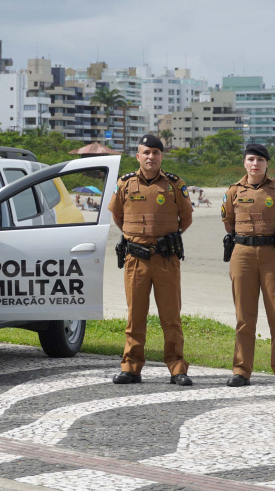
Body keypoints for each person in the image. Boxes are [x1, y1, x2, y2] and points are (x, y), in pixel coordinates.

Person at [109, 134, 194, 386]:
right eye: (146, 152)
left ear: (161, 157)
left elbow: (186, 218)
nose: (151, 157)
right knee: (135, 316)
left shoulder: (174, 185)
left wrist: (169, 240)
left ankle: (177, 368)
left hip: (166, 259)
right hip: (136, 259)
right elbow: (117, 216)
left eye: (155, 153)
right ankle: (131, 368)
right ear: (138, 156)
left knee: (171, 317)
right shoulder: (125, 184)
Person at [222, 143, 275, 388]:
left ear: (267, 164)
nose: (255, 164)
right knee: (244, 316)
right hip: (242, 254)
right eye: (251, 159)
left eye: (260, 160)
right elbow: (228, 224)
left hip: (273, 255)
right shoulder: (233, 191)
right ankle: (241, 371)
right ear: (244, 162)